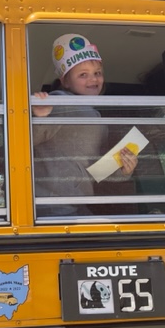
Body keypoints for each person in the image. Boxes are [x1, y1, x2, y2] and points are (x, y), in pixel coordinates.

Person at [32, 33, 138, 216]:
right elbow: (25, 142)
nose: (93, 79)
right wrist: (40, 117)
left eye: (97, 73)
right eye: (83, 75)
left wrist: (123, 169)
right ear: (65, 81)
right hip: (51, 204)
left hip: (78, 201)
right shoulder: (60, 103)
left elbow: (97, 169)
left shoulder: (95, 114)